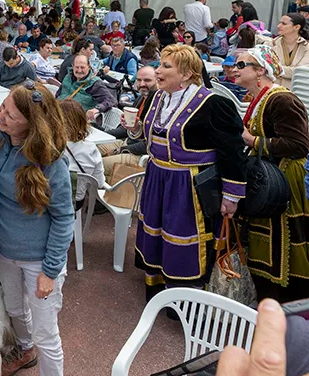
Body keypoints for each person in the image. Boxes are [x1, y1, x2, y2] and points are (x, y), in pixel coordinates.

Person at [121, 45, 247, 300]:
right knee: (156, 232)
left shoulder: (213, 104)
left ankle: (184, 299)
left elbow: (231, 151)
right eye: (160, 65)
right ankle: (158, 290)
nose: (158, 71)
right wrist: (134, 129)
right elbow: (149, 138)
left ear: (187, 74)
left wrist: (231, 195)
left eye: (166, 66)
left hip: (187, 184)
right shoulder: (158, 97)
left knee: (183, 238)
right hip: (157, 178)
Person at [0, 82, 73, 376]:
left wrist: (50, 271)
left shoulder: (51, 163)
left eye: (9, 113)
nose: (0, 115)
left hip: (40, 261)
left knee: (47, 336)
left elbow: (63, 219)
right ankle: (24, 350)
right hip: (7, 255)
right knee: (14, 310)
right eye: (2, 107)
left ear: (30, 122)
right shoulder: (0, 137)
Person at [232, 45, 309, 302]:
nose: (234, 68)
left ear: (260, 71)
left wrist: (253, 141)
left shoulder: (281, 99)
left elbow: (300, 145)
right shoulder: (258, 98)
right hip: (267, 177)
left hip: (284, 179)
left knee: (286, 239)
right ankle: (268, 297)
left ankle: (287, 304)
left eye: (241, 65)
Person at [98, 66, 157, 175]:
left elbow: (149, 144)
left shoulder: (157, 104)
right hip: (127, 142)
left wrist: (119, 150)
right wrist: (102, 135)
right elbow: (125, 129)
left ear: (158, 80)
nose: (142, 84)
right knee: (90, 149)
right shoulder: (141, 98)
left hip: (138, 154)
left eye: (147, 80)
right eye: (139, 80)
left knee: (94, 164)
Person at [60, 98, 105, 209]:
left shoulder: (49, 146)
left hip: (49, 200)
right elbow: (99, 183)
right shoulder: (91, 149)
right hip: (76, 202)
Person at [56, 54, 116, 121]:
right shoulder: (68, 77)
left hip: (77, 120)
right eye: (77, 67)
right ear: (72, 66)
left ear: (89, 67)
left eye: (82, 67)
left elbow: (111, 100)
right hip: (58, 114)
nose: (79, 70)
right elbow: (58, 94)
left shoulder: (95, 83)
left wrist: (97, 109)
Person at [271, 13, 309, 89]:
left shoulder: (306, 47)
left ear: (297, 27)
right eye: (279, 23)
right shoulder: (271, 44)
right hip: (272, 91)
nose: (279, 26)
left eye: (284, 24)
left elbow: (300, 72)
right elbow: (265, 68)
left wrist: (276, 68)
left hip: (295, 92)